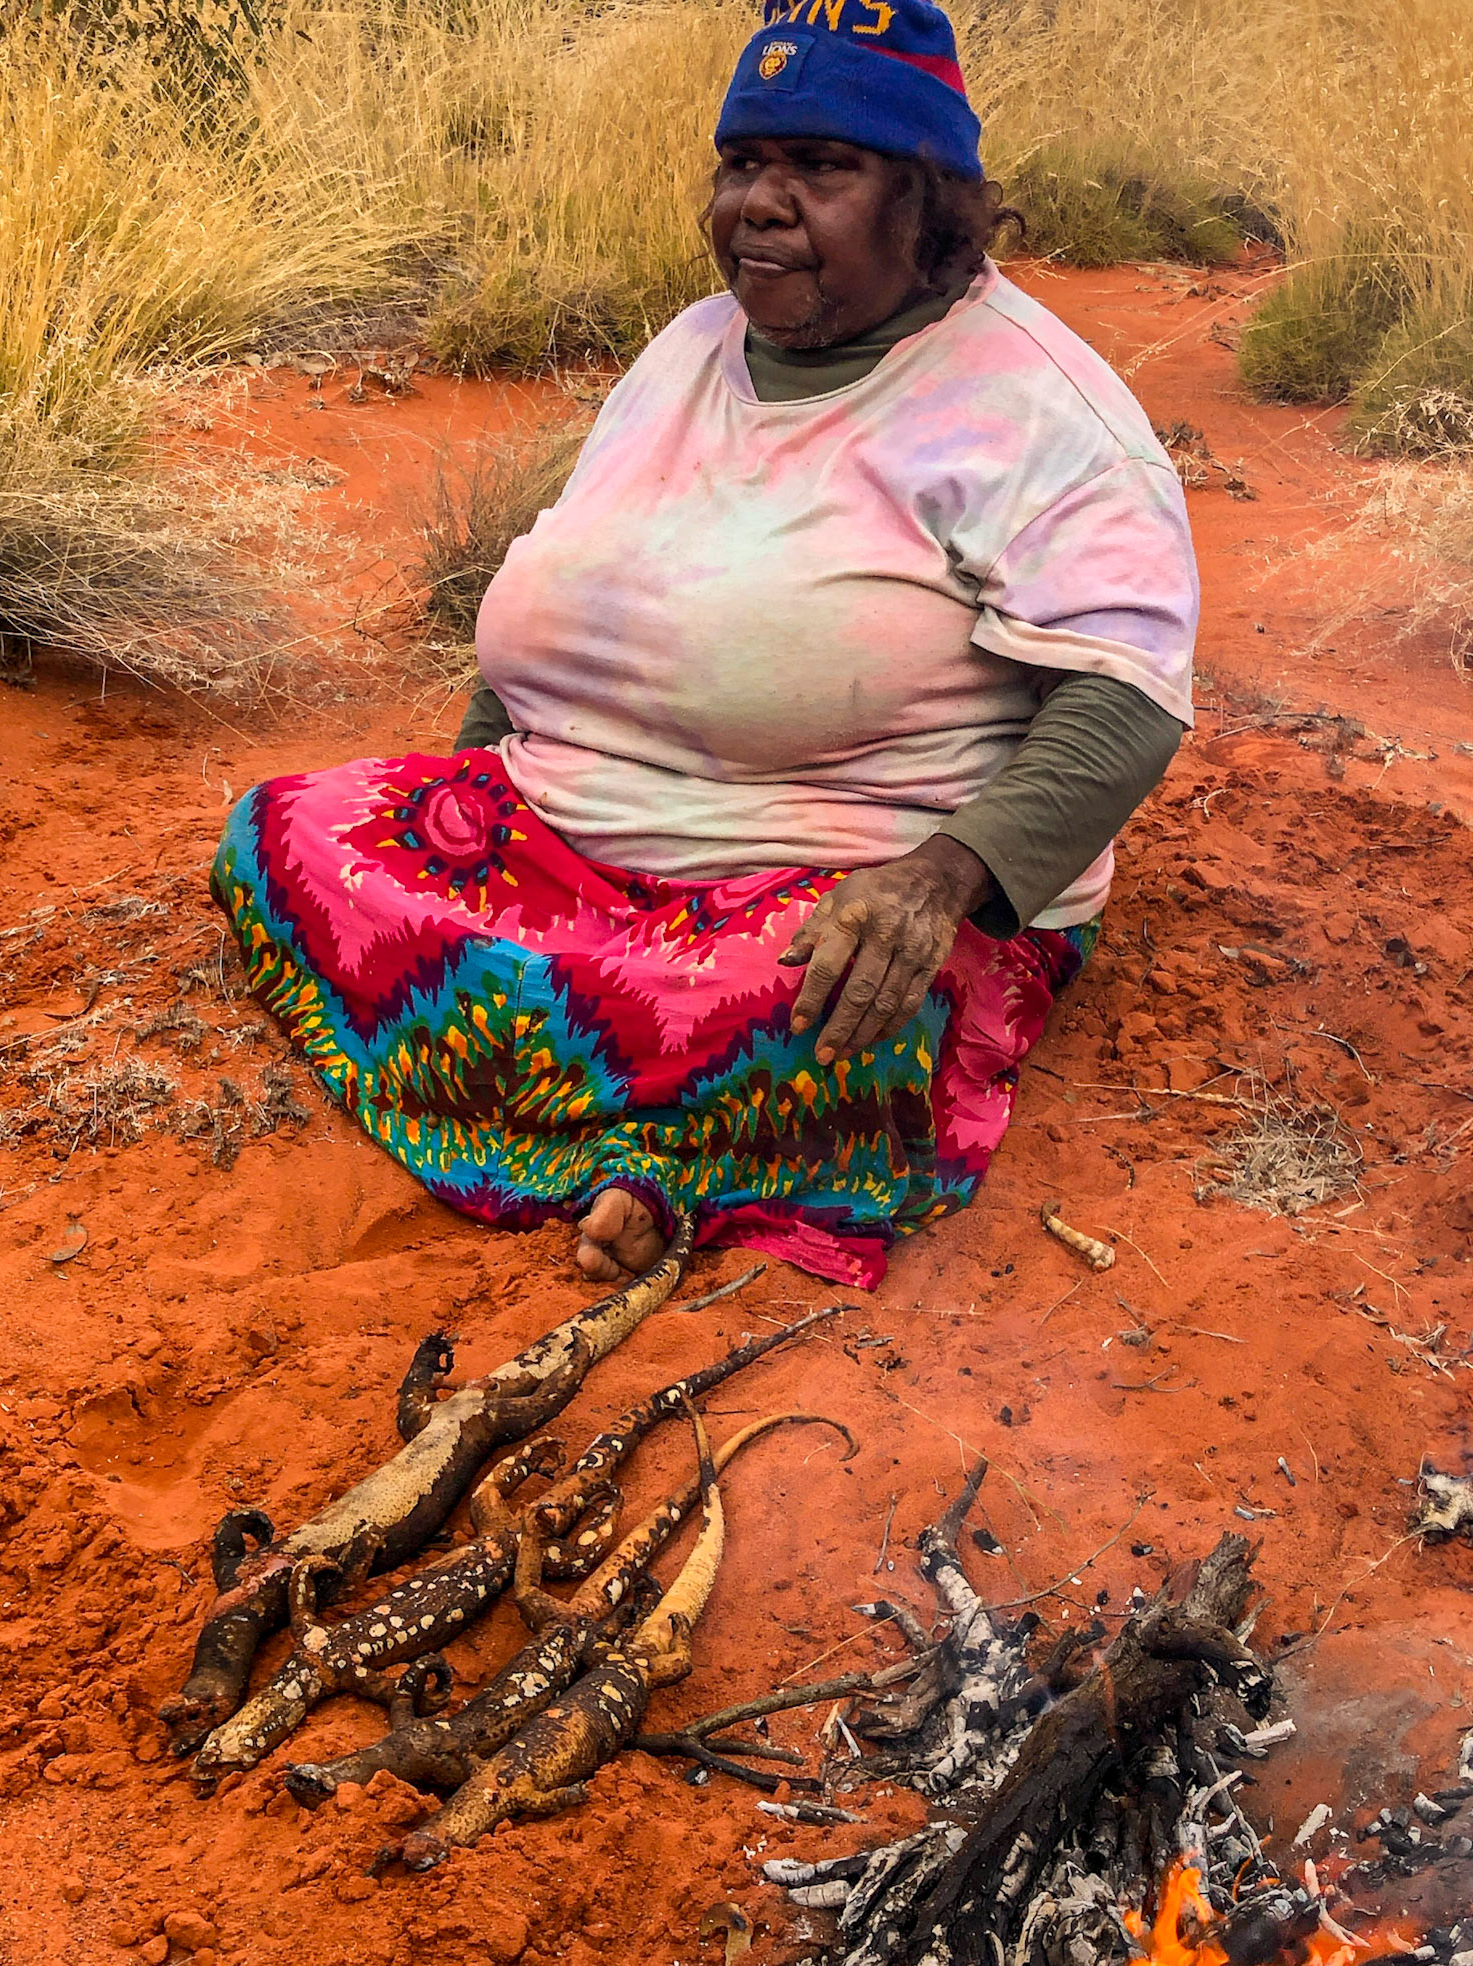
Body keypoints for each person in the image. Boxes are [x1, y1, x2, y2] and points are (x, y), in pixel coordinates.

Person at [212, 0, 1197, 1291]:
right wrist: (469, 795)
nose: (764, 207)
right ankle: (645, 1125)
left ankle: (638, 1142)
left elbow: (1126, 700)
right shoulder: (684, 353)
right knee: (287, 835)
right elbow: (570, 586)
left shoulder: (1034, 403)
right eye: (745, 166)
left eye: (822, 170)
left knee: (820, 1014)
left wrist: (940, 882)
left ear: (928, 203)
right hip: (582, 846)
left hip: (839, 881)